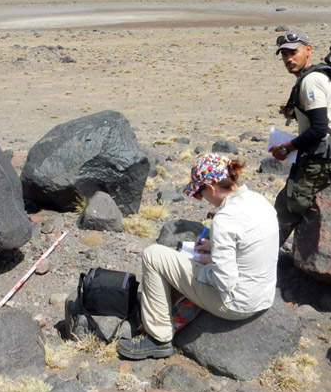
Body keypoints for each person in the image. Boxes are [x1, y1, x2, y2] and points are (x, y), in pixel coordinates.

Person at [117, 153, 279, 360]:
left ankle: (158, 338)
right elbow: (253, 245)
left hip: (237, 303)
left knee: (152, 255)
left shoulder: (225, 219)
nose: (202, 200)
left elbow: (224, 281)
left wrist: (206, 265)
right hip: (263, 295)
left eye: (200, 194)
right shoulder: (258, 201)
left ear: (211, 188)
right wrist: (216, 249)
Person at [269, 30, 331, 246]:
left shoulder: (311, 81)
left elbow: (319, 129)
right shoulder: (319, 75)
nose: (288, 59)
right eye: (284, 54)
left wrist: (286, 148)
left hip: (322, 160)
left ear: (308, 50)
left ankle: (256, 262)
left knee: (286, 208)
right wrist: (294, 113)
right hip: (329, 156)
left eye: (293, 52)